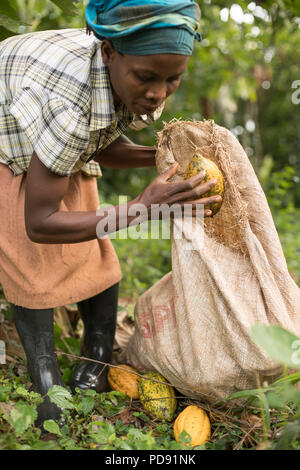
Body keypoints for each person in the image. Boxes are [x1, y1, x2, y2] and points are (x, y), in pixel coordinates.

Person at [0, 0, 222, 426]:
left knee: (94, 245)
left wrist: (163, 155)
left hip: (59, 135)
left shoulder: (135, 78)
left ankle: (98, 350)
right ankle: (43, 371)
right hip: (11, 144)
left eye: (172, 79)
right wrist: (139, 210)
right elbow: (40, 223)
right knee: (29, 260)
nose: (158, 93)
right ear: (108, 53)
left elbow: (99, 140)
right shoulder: (66, 100)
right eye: (147, 78)